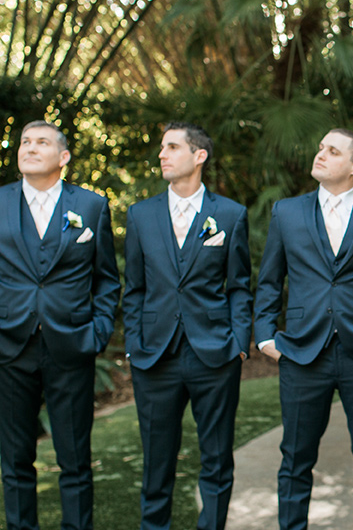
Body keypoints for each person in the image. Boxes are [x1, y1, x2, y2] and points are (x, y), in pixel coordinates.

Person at [255, 128, 353, 530]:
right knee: (296, 457)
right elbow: (270, 278)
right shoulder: (286, 212)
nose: (320, 154)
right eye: (320, 146)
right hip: (302, 353)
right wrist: (266, 335)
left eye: (332, 150)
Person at [122, 121, 253, 530]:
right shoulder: (140, 215)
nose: (162, 154)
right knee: (156, 460)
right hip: (154, 356)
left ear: (199, 156)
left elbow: (240, 285)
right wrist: (134, 344)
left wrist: (239, 342)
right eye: (162, 147)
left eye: (172, 147)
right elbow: (135, 288)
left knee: (216, 458)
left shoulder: (231, 215)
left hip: (214, 354)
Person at [0, 120, 121, 530]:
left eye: (41, 142)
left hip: (71, 346)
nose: (30, 148)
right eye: (25, 142)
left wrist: (98, 331)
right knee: (15, 460)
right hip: (9, 347)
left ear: (63, 157)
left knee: (75, 460)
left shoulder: (90, 207)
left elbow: (107, 279)